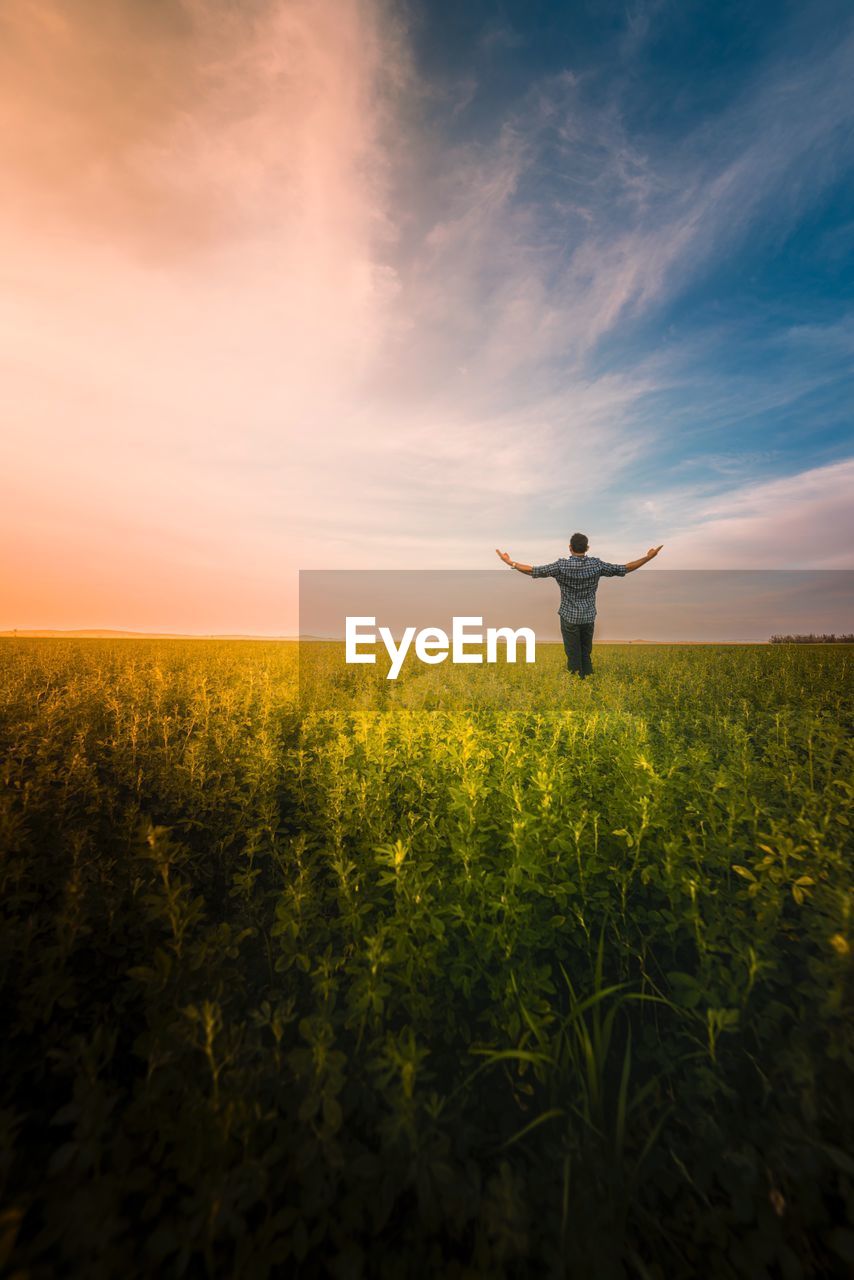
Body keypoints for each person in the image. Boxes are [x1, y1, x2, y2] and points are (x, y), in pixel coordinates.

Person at [495, 533, 663, 679]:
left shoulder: (561, 566)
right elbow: (624, 568)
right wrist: (648, 558)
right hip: (588, 617)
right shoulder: (597, 565)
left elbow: (534, 571)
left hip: (569, 618)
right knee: (585, 653)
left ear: (570, 548)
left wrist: (510, 562)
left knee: (573, 654)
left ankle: (577, 683)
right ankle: (588, 681)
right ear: (587, 548)